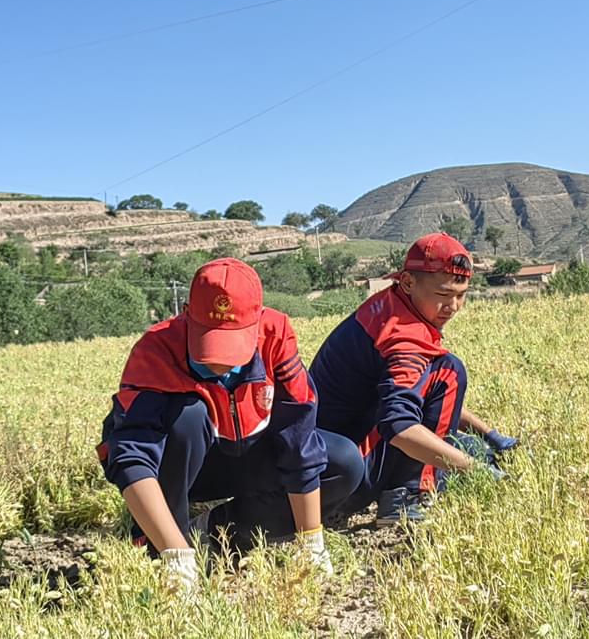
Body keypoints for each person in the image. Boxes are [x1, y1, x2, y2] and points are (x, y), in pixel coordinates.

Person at [97, 258, 363, 589]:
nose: (221, 364)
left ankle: (211, 532)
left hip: (246, 454)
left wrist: (311, 544)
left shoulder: (275, 336)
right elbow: (132, 457)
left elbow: (299, 439)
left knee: (344, 463)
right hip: (185, 469)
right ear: (185, 313)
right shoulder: (157, 349)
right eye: (208, 345)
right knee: (188, 415)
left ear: (258, 321)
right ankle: (165, 545)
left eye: (233, 345)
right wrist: (174, 555)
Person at [309, 232, 520, 526]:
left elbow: (415, 394)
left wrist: (493, 437)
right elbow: (400, 427)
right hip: (346, 475)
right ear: (408, 282)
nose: (454, 306)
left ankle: (427, 474)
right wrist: (477, 472)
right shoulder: (403, 336)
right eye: (444, 295)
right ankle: (405, 494)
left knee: (470, 446)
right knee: (449, 372)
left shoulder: (391, 306)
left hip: (323, 461)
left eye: (462, 295)